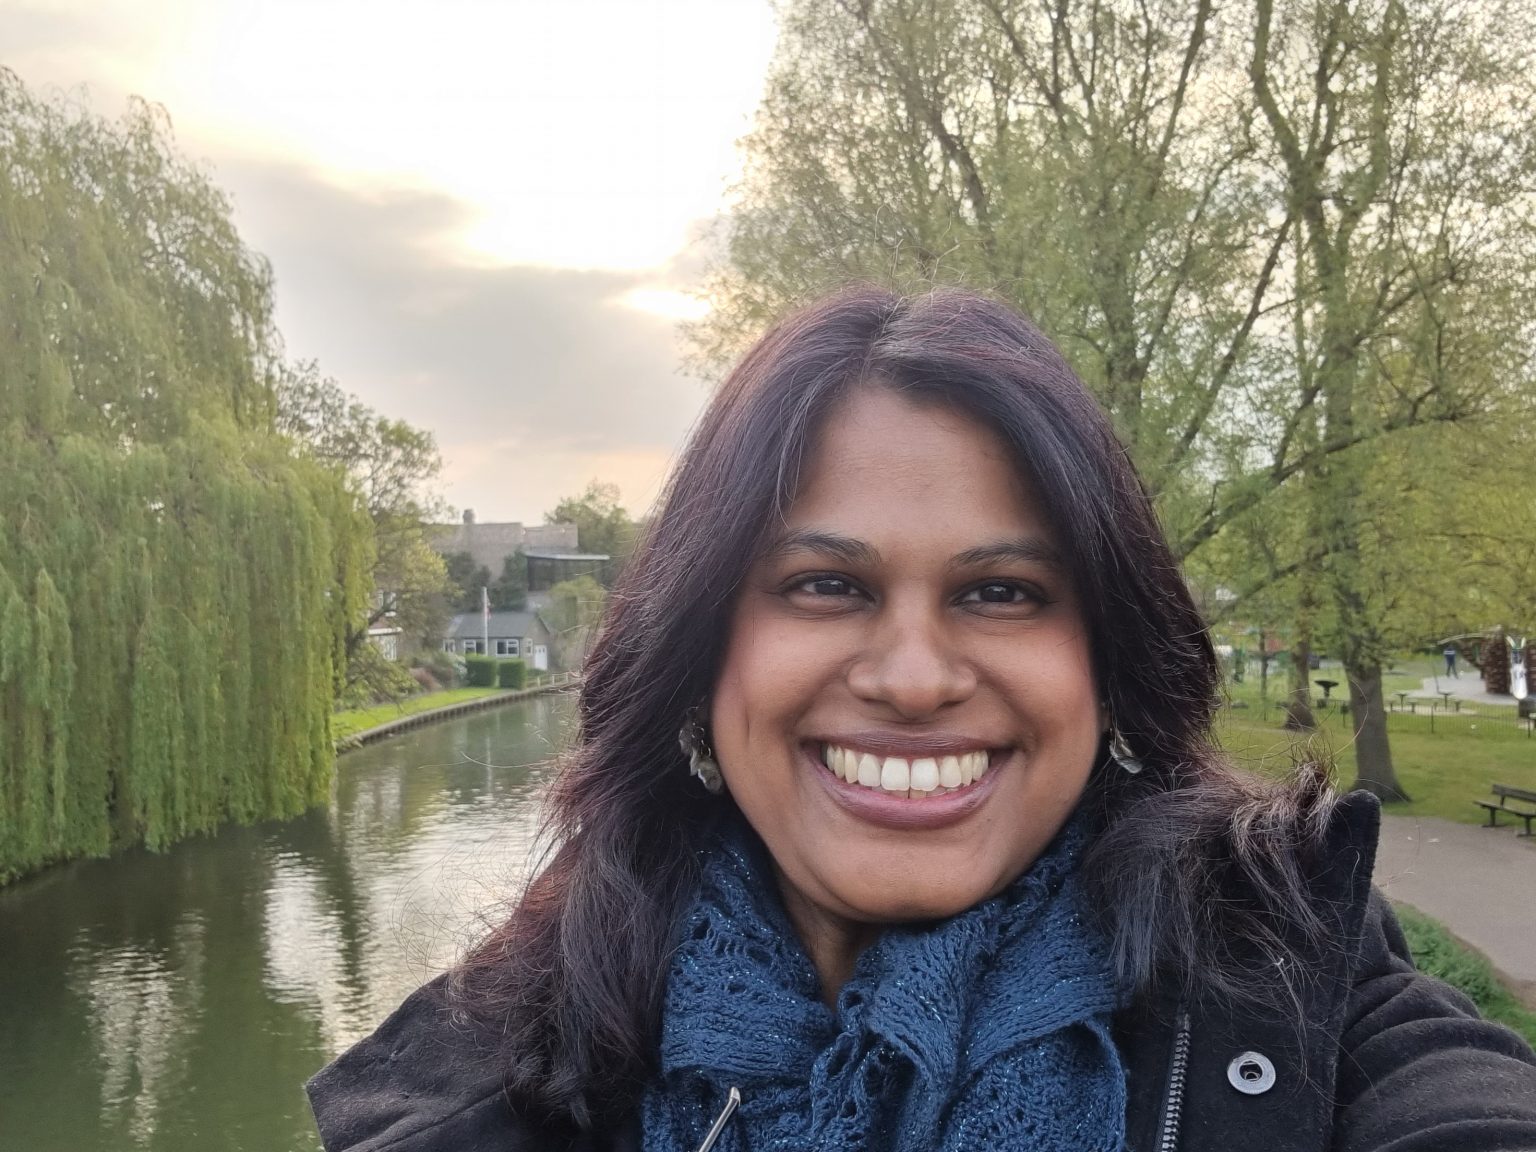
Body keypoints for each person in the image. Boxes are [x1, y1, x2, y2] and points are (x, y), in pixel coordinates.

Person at [306, 288, 1536, 1152]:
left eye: (1002, 593)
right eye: (824, 585)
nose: (911, 678)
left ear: (1107, 664)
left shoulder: (1291, 968)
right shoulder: (492, 1066)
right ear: (698, 654)